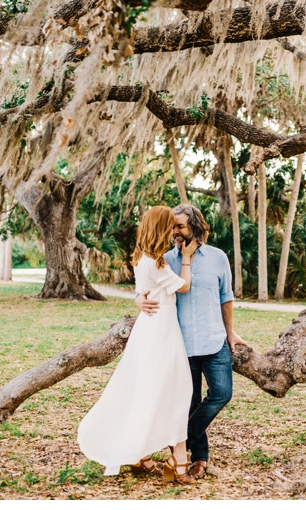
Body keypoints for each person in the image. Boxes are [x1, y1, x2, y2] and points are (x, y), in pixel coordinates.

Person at [78, 205, 197, 484]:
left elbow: (140, 291)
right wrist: (188, 259)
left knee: (149, 388)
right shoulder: (156, 263)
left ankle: (141, 455)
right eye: (169, 226)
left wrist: (137, 299)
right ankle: (176, 462)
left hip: (152, 326)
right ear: (160, 229)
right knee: (177, 389)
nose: (172, 232)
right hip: (161, 329)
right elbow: (184, 286)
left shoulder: (141, 258)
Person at [135, 204, 247, 480]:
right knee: (190, 399)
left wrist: (230, 331)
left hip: (213, 338)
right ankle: (197, 459)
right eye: (172, 226)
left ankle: (180, 437)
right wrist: (138, 299)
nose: (175, 231)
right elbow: (145, 284)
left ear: (196, 227)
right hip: (180, 343)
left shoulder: (218, 257)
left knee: (222, 393)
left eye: (180, 226)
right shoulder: (164, 259)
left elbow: (226, 296)